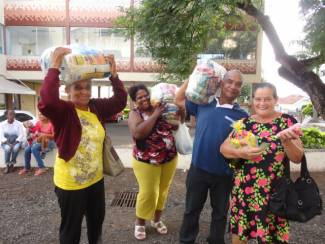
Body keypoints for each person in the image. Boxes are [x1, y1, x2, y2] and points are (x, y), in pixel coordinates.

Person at [37, 47, 127, 244]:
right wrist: (54, 66)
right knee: (71, 232)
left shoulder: (95, 107)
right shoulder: (64, 111)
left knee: (96, 227)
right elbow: (47, 101)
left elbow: (120, 101)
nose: (84, 91)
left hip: (95, 180)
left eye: (87, 87)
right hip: (70, 184)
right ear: (68, 90)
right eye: (78, 87)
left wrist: (114, 75)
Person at [220, 82, 304, 244]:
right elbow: (223, 148)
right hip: (244, 192)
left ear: (275, 100)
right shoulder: (245, 123)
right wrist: (240, 152)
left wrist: (286, 141)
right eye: (258, 99)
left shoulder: (287, 122)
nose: (262, 103)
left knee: (271, 238)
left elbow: (297, 158)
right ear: (252, 100)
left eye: (267, 99)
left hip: (274, 193)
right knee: (239, 237)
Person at [175, 70, 249, 244]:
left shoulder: (243, 116)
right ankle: (186, 240)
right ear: (221, 83)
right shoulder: (204, 104)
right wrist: (192, 78)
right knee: (191, 209)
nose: (233, 86)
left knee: (220, 213)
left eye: (238, 84)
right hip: (198, 169)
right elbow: (178, 100)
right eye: (230, 81)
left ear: (240, 89)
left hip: (224, 174)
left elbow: (244, 145)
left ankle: (216, 240)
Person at [127, 84, 180, 241]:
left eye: (145, 95)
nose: (144, 99)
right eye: (139, 97)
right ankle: (140, 223)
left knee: (163, 190)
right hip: (146, 161)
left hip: (169, 158)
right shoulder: (134, 114)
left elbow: (175, 126)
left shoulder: (161, 107)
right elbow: (138, 133)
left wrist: (179, 113)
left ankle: (156, 220)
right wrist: (155, 115)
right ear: (134, 101)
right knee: (148, 192)